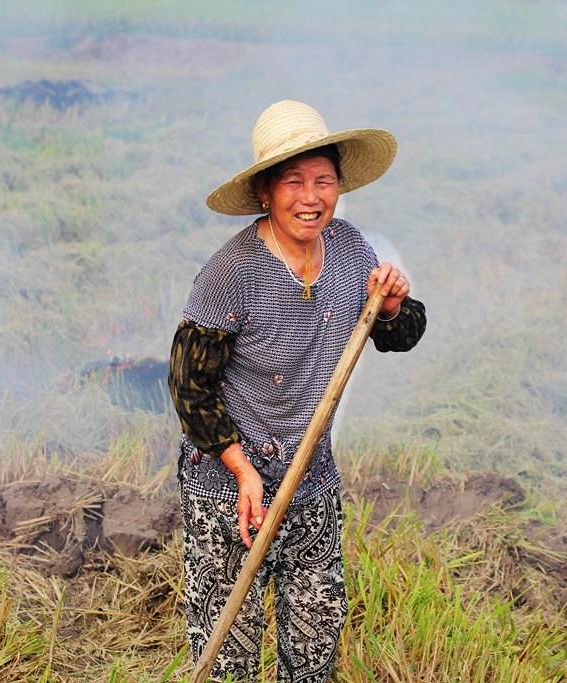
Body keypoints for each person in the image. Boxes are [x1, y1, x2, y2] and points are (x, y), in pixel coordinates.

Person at [168, 100, 426, 682]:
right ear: (264, 190)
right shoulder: (231, 272)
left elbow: (403, 333)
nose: (311, 197)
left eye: (323, 181)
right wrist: (241, 470)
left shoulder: (351, 251)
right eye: (294, 182)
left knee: (312, 651)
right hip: (229, 490)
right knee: (226, 653)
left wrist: (389, 306)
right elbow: (189, 386)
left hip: (311, 481)